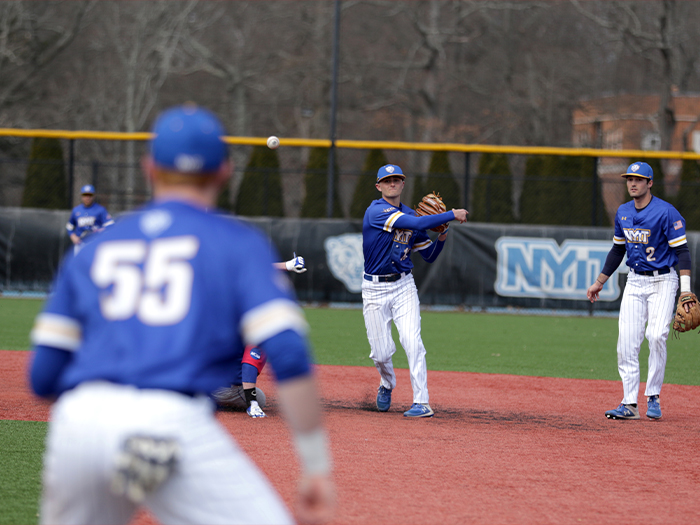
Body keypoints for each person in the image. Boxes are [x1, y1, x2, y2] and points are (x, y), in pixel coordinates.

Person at [29, 105, 334, 524]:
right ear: (224, 172)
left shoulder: (97, 248)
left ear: (149, 168)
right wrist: (316, 466)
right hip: (166, 422)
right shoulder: (236, 244)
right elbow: (290, 355)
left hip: (78, 424)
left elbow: (42, 375)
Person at [587, 161, 694, 421]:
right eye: (629, 179)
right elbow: (617, 250)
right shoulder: (623, 212)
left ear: (649, 183)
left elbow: (682, 252)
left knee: (656, 335)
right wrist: (600, 281)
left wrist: (686, 291)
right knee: (627, 343)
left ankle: (653, 395)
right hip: (635, 281)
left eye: (638, 179)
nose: (632, 183)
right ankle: (629, 404)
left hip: (663, 281)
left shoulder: (666, 212)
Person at [362, 164, 468, 418]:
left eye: (397, 179)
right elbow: (413, 222)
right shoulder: (376, 211)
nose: (392, 183)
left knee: (412, 341)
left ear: (403, 184)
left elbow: (429, 255)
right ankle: (387, 383)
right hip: (374, 289)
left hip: (403, 286)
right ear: (379, 186)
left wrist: (442, 236)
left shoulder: (413, 216)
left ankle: (422, 402)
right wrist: (451, 213)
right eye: (387, 181)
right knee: (381, 353)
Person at [214, 254, 307, 418]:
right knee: (261, 397)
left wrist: (287, 265)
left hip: (203, 380)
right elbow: (250, 363)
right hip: (227, 388)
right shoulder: (260, 317)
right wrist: (253, 403)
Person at [66, 184, 114, 252]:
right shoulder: (76, 210)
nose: (87, 197)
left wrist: (99, 231)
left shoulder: (100, 209)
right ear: (81, 196)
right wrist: (73, 236)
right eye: (85, 195)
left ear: (93, 196)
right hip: (80, 244)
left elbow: (110, 225)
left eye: (90, 195)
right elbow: (69, 227)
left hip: (95, 243)